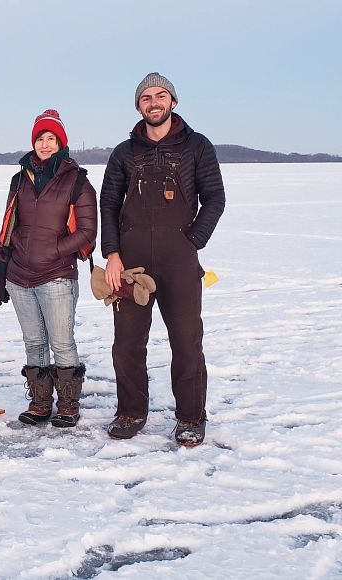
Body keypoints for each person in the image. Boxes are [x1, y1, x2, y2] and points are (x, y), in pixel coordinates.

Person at [100, 73, 226, 446]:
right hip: (131, 263)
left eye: (160, 96)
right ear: (138, 106)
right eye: (146, 98)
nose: (153, 103)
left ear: (173, 101)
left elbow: (215, 199)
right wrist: (112, 255)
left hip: (180, 261)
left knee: (187, 341)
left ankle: (190, 417)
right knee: (126, 343)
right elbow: (108, 205)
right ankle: (131, 411)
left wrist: (192, 243)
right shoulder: (124, 153)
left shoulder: (197, 147)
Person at [0, 109, 97, 428]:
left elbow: (87, 232)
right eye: (40, 138)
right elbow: (9, 225)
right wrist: (0, 268)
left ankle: (67, 404)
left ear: (61, 142)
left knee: (61, 342)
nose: (45, 144)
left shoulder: (76, 180)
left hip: (57, 276)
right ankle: (40, 403)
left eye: (51, 138)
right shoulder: (19, 178)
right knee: (34, 342)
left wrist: (53, 250)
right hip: (19, 276)